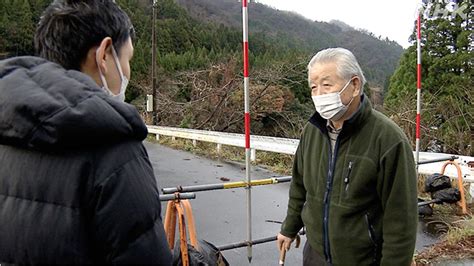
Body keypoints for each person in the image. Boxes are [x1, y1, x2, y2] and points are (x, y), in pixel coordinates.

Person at [0, 0, 172, 264]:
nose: (127, 71)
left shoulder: (7, 123)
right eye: (127, 60)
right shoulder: (115, 152)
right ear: (104, 55)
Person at [277, 48, 417, 265]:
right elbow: (299, 186)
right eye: (313, 87)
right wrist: (289, 228)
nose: (319, 95)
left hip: (363, 259)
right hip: (315, 255)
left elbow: (401, 219)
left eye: (326, 84)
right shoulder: (312, 131)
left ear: (354, 85)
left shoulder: (387, 138)